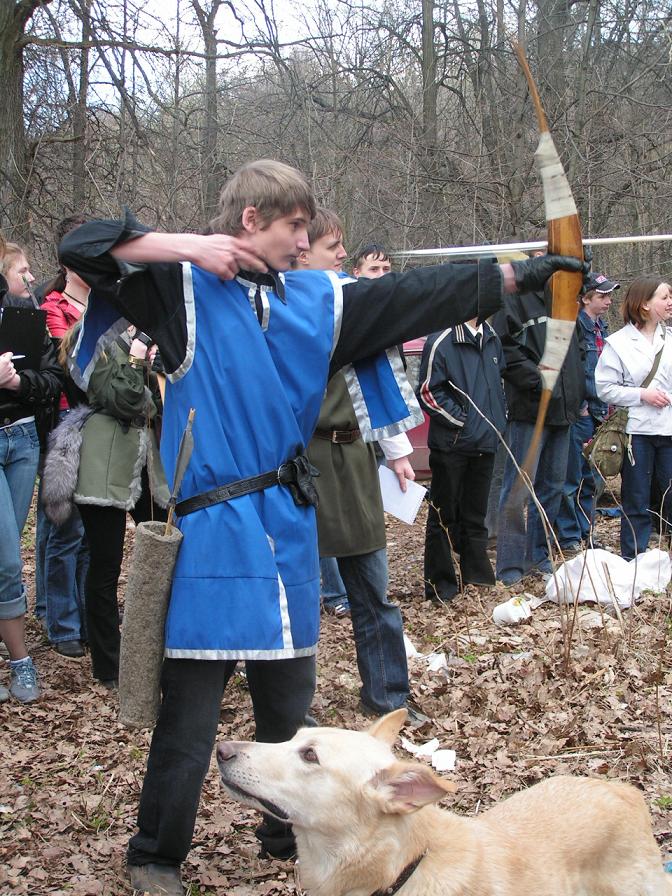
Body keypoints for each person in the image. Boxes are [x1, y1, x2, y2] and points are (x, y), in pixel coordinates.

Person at [59, 159, 583, 896]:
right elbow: (82, 245)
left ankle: (283, 830)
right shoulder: (181, 291)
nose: (304, 243)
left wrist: (517, 275)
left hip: (288, 530)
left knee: (288, 704)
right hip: (216, 534)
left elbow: (410, 296)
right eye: (295, 227)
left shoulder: (317, 300)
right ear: (251, 220)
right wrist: (189, 246)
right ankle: (155, 854)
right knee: (191, 717)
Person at [297, 210, 420, 722]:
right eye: (333, 246)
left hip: (355, 458)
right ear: (302, 251)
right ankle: (291, 708)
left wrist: (398, 453)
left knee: (373, 591)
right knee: (297, 596)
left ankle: (388, 696)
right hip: (302, 462)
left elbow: (374, 383)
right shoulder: (284, 308)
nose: (344, 255)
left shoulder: (355, 306)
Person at [51, 325, 169, 687]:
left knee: (168, 552)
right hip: (102, 464)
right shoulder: (90, 341)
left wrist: (153, 365)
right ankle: (108, 664)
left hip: (144, 461)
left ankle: (163, 648)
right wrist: (136, 358)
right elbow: (125, 399)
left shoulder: (143, 338)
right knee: (105, 567)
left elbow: (158, 402)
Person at [492, 260, 585, 585]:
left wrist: (577, 392)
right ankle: (509, 567)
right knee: (517, 490)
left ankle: (538, 557)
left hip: (564, 412)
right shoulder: (515, 298)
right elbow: (505, 348)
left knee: (553, 488)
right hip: (530, 411)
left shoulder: (567, 299)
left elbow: (578, 349)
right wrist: (538, 381)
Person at [0, 240, 63, 702]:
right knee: (7, 557)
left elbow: (51, 381)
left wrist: (17, 381)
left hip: (22, 439)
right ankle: (21, 661)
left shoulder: (26, 316)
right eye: (20, 270)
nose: (29, 278)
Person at [417, 314, 507, 602]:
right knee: (443, 515)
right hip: (452, 445)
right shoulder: (441, 340)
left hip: (486, 441)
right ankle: (440, 586)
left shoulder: (491, 336)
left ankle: (477, 577)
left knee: (475, 514)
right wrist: (461, 422)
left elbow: (498, 383)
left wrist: (498, 420)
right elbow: (428, 391)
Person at [34, 215, 91, 658]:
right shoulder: (51, 305)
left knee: (90, 532)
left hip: (104, 421)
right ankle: (62, 623)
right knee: (65, 529)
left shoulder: (108, 302)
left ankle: (85, 617)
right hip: (66, 424)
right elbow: (69, 364)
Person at [595, 277, 672, 559]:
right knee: (636, 498)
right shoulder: (618, 343)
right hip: (635, 432)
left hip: (669, 428)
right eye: (664, 297)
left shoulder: (670, 339)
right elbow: (605, 388)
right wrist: (642, 395)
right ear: (644, 304)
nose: (670, 302)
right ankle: (634, 559)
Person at [555, 273, 619, 550]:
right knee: (571, 478)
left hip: (600, 413)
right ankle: (568, 537)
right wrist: (579, 406)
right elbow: (571, 371)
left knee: (590, 479)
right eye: (602, 296)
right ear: (585, 298)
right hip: (580, 413)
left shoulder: (601, 328)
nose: (608, 301)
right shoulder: (574, 327)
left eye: (609, 295)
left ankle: (585, 532)